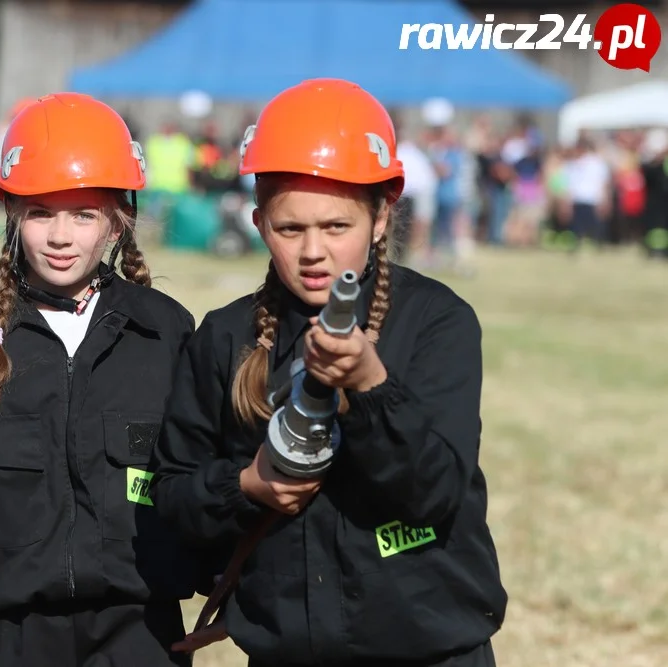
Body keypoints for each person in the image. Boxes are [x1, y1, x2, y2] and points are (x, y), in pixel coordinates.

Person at [150, 79, 507, 667]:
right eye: (291, 230)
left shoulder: (436, 321)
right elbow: (172, 493)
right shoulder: (224, 335)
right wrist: (247, 486)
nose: (313, 251)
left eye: (336, 227)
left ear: (382, 216)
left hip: (428, 649)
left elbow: (436, 491)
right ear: (261, 223)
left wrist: (370, 387)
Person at [0, 93, 201, 667]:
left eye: (83, 214)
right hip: (8, 633)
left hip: (141, 631)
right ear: (11, 213)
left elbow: (206, 475)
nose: (61, 236)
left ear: (118, 218)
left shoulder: (167, 333)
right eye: (41, 213)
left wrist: (234, 586)